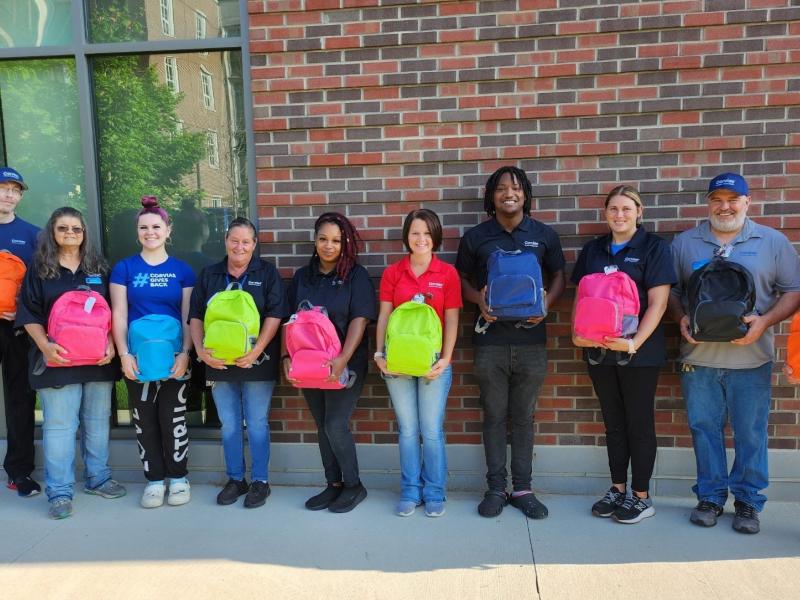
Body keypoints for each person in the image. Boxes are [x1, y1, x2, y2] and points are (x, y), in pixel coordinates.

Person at [668, 173, 800, 534]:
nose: (724, 206)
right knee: (704, 429)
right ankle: (710, 497)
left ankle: (748, 502)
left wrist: (765, 321)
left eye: (733, 199)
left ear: (747, 201)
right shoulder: (685, 243)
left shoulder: (772, 242)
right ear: (708, 203)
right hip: (698, 359)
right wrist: (680, 318)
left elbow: (793, 290)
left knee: (750, 432)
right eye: (716, 199)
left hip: (752, 358)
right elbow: (671, 291)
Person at [455, 166, 565, 519]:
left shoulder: (544, 235)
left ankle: (523, 489)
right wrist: (478, 300)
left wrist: (546, 307)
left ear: (526, 194)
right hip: (489, 342)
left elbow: (560, 275)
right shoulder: (476, 237)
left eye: (516, 188)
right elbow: (459, 277)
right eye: (501, 188)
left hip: (532, 341)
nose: (508, 193)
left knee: (523, 418)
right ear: (491, 196)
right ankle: (495, 489)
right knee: (493, 416)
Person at [571, 185, 676, 524]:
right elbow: (581, 295)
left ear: (639, 212)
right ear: (605, 214)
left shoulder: (654, 248)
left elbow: (659, 303)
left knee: (639, 423)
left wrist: (634, 343)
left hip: (638, 355)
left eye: (626, 209)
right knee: (613, 424)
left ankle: (641, 497)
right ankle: (617, 489)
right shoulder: (593, 250)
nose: (619, 215)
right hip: (599, 352)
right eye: (613, 209)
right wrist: (577, 334)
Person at [16, 207, 125, 519]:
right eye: (63, 228)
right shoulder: (39, 270)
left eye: (76, 229)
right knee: (61, 427)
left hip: (98, 360)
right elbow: (28, 314)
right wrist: (45, 346)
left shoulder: (99, 268)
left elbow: (113, 313)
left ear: (84, 233)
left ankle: (98, 478)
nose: (70, 234)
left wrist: (111, 344)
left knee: (96, 423)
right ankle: (60, 491)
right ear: (52, 232)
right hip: (57, 360)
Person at [189, 217, 288, 509]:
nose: (239, 246)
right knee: (229, 425)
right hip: (218, 363)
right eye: (234, 240)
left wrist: (257, 350)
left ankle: (260, 481)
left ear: (254, 245)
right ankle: (235, 479)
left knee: (256, 424)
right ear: (225, 241)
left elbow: (275, 315)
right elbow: (195, 316)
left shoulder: (267, 273)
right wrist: (201, 352)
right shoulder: (210, 274)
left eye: (246, 241)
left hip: (258, 363)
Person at [283, 212, 376, 513]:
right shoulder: (302, 277)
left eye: (336, 240)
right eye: (323, 239)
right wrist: (287, 358)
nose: (329, 245)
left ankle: (353, 485)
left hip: (345, 364)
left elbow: (360, 321)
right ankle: (332, 484)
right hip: (309, 365)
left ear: (345, 243)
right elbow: (290, 322)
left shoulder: (356, 276)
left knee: (336, 424)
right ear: (314, 240)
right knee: (322, 425)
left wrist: (343, 359)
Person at [374, 209, 461, 518]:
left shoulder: (447, 274)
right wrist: (379, 355)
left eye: (426, 233)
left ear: (435, 236)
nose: (420, 239)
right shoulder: (393, 273)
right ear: (406, 236)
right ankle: (411, 491)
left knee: (431, 430)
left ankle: (435, 491)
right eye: (414, 233)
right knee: (408, 430)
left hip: (433, 364)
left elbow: (452, 319)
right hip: (396, 364)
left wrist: (447, 358)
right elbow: (384, 315)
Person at [110, 196, 195, 508]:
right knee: (144, 420)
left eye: (156, 226)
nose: (150, 232)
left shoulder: (183, 270)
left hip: (174, 358)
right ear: (137, 233)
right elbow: (118, 314)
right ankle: (154, 480)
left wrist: (186, 352)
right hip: (139, 360)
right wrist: (124, 354)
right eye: (144, 227)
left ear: (168, 230)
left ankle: (179, 478)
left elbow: (189, 316)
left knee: (174, 418)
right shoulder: (124, 268)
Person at [0, 167, 40, 497]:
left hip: (16, 329)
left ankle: (19, 471)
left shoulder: (33, 235)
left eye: (15, 189)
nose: (9, 194)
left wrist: (24, 314)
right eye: (4, 187)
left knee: (19, 400)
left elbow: (41, 287)